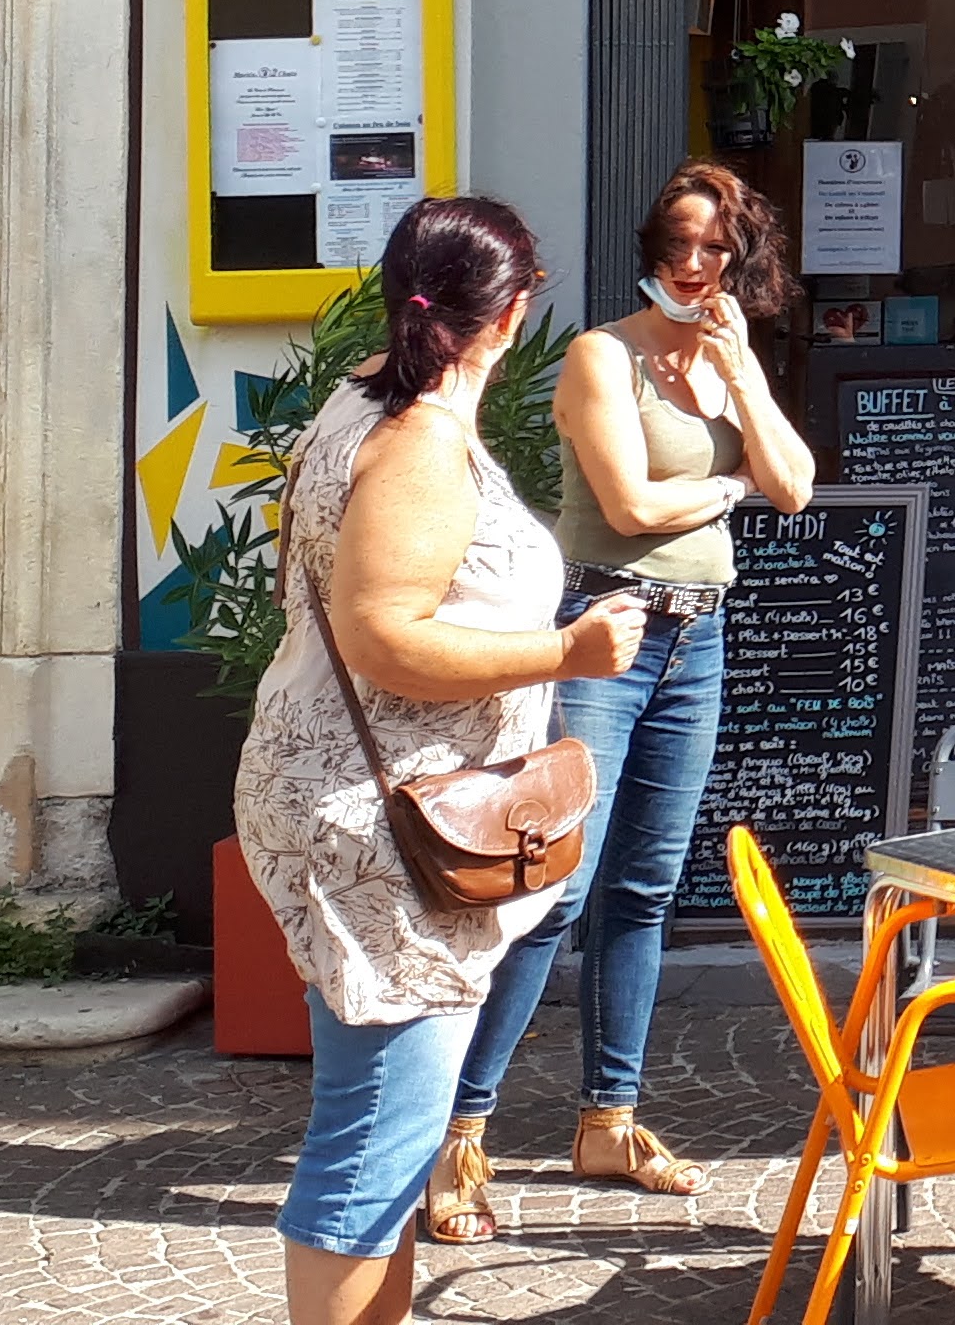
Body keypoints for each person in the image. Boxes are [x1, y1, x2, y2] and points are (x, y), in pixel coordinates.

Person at [237, 197, 648, 1325]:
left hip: (357, 800)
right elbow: (383, 634)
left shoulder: (363, 398)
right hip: (387, 824)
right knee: (376, 1138)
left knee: (389, 1129)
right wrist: (568, 650)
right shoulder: (417, 441)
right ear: (510, 317)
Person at [426, 161, 818, 1241]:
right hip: (607, 630)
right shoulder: (606, 355)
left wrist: (742, 380)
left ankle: (610, 1119)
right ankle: (458, 1131)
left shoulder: (729, 360)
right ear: (651, 249)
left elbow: (797, 484)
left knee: (645, 889)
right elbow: (632, 505)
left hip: (699, 634)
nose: (693, 264)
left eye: (715, 247)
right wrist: (731, 484)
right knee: (553, 888)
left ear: (742, 260)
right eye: (677, 243)